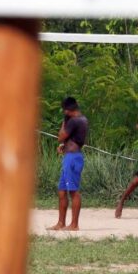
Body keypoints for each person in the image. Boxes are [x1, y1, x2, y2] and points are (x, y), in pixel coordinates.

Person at [48, 97, 89, 231]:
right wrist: (63, 146)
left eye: (64, 111)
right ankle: (61, 222)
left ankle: (74, 224)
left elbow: (61, 136)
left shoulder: (73, 121)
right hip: (69, 156)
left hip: (73, 158)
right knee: (62, 191)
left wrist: (64, 122)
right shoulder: (82, 119)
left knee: (73, 191)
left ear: (68, 110)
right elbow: (70, 140)